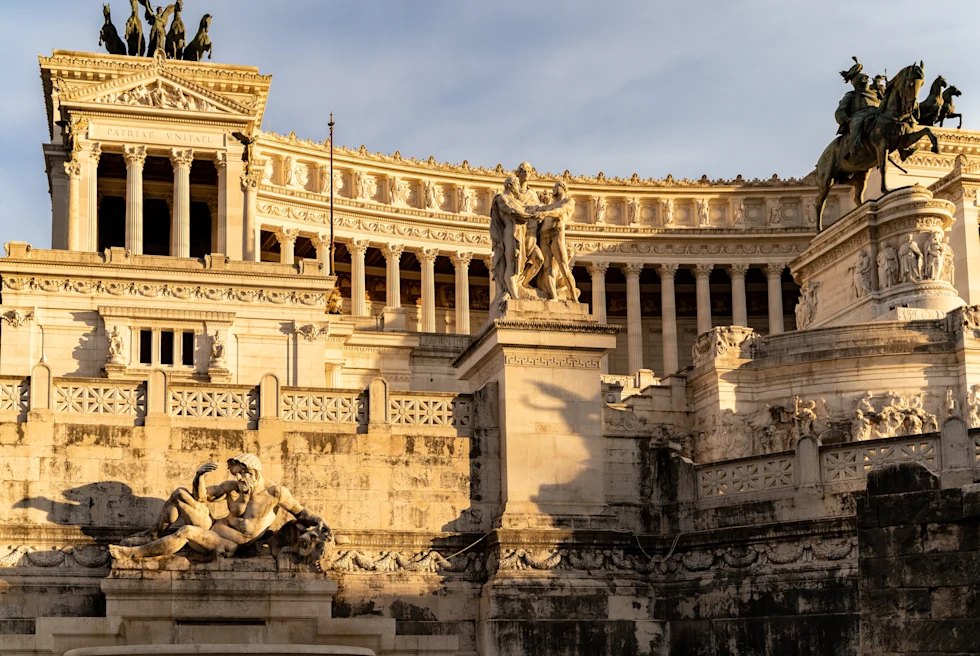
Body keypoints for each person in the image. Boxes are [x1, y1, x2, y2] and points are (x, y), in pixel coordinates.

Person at [109, 454, 329, 559]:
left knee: (186, 531)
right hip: (212, 526)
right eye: (235, 474)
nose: (238, 478)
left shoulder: (275, 493)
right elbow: (201, 497)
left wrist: (319, 522)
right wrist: (199, 476)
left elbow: (301, 512)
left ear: (253, 472)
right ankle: (153, 534)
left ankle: (133, 554)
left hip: (227, 543)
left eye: (241, 473)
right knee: (180, 494)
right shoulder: (231, 486)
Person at [527, 180, 580, 301]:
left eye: (557, 186)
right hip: (544, 236)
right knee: (547, 268)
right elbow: (534, 210)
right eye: (554, 187)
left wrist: (545, 213)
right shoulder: (549, 205)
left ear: (563, 188)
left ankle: (573, 297)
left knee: (563, 267)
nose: (554, 189)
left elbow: (560, 211)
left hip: (556, 233)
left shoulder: (568, 201)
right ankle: (553, 296)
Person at [489, 177, 538, 302]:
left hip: (520, 231)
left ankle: (519, 287)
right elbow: (513, 211)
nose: (519, 189)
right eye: (517, 185)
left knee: (522, 263)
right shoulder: (501, 198)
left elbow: (527, 208)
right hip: (511, 232)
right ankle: (514, 296)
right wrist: (531, 216)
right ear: (511, 185)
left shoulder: (516, 201)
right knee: (511, 264)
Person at [835, 57, 882, 155]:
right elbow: (840, 111)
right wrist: (846, 120)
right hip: (860, 115)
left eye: (866, 78)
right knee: (857, 121)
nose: (866, 80)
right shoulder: (851, 95)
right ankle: (855, 144)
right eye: (863, 79)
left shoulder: (876, 93)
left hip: (876, 113)